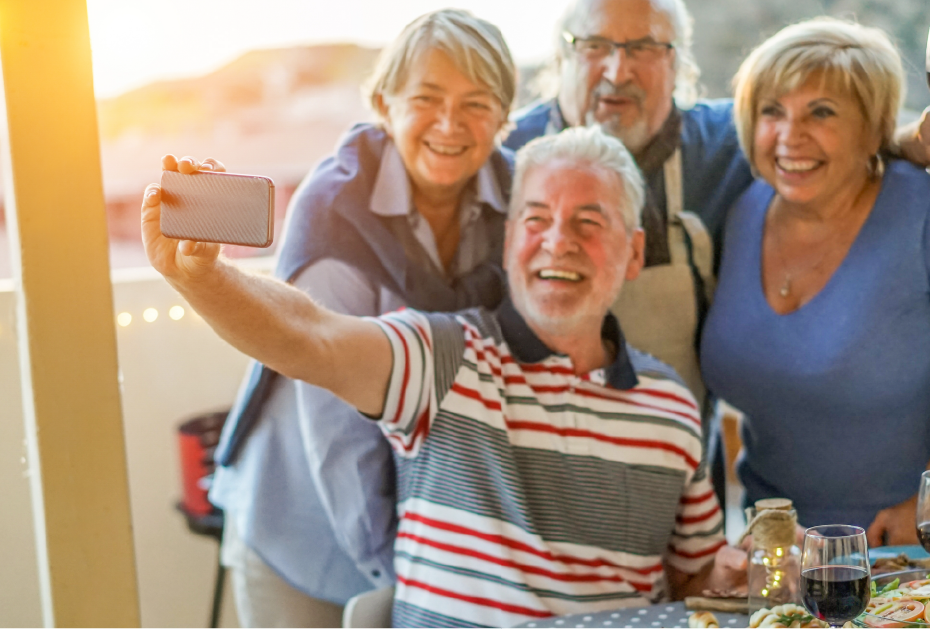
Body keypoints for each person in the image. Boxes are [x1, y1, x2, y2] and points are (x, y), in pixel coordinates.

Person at [143, 126, 744, 629]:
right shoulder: (443, 355)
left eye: (589, 222)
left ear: (634, 253)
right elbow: (311, 335)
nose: (558, 242)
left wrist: (733, 575)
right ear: (510, 243)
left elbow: (692, 577)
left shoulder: (670, 405)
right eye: (536, 219)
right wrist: (203, 278)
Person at [503, 0, 930, 496]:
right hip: (527, 481)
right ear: (562, 57)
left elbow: (821, 144)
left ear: (678, 66)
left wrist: (907, 144)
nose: (616, 69)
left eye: (644, 47)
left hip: (679, 488)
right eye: (595, 45)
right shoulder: (505, 156)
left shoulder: (722, 147)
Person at [204, 10, 517, 627]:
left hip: (433, 530)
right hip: (305, 527)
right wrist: (408, 581)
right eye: (426, 98)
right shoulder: (333, 214)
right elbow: (339, 436)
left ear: (506, 115)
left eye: (477, 103)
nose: (450, 124)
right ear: (384, 102)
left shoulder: (518, 198)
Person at [699, 18, 930, 543]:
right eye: (772, 111)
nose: (790, 136)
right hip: (779, 545)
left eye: (822, 112)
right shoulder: (743, 210)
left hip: (906, 540)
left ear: (871, 127)